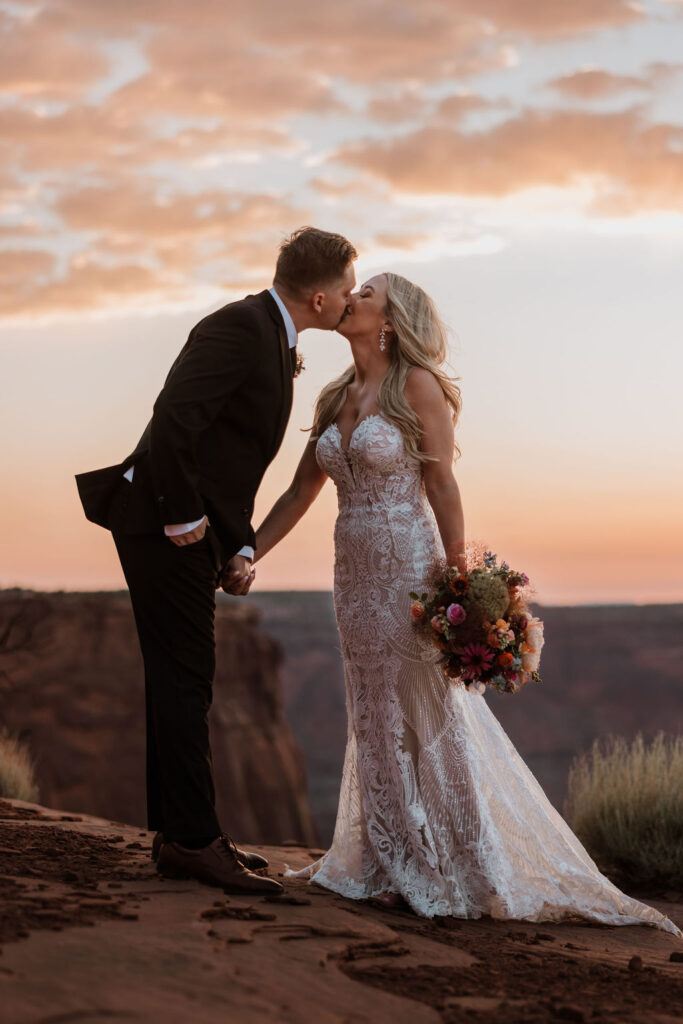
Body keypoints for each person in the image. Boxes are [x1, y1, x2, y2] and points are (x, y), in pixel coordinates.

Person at [246, 271, 682, 935]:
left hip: (410, 570)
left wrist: (459, 578)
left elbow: (442, 482)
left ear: (390, 320)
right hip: (353, 575)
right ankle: (390, 862)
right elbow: (299, 493)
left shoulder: (414, 386)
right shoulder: (336, 392)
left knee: (430, 714)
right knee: (372, 712)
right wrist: (250, 552)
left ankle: (465, 869)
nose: (351, 299)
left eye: (366, 294)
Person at [75, 227, 357, 893]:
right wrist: (182, 516)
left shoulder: (269, 332)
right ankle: (193, 843)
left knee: (183, 678)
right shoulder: (240, 326)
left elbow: (226, 456)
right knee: (185, 678)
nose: (350, 297)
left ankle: (185, 833)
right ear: (318, 297)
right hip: (162, 525)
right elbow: (174, 418)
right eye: (348, 286)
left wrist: (235, 542)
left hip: (191, 528)